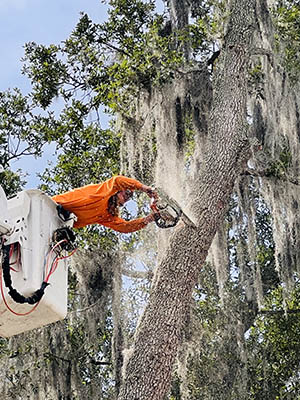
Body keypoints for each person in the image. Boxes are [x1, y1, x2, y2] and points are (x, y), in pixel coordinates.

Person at [52, 175, 158, 233]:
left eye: (130, 197)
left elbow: (124, 227)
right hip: (52, 206)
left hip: (58, 224)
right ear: (119, 190)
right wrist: (143, 188)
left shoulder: (106, 215)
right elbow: (117, 181)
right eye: (127, 192)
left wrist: (147, 220)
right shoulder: (103, 192)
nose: (128, 197)